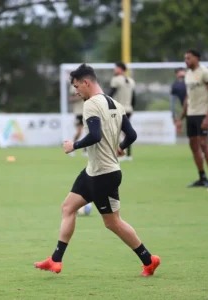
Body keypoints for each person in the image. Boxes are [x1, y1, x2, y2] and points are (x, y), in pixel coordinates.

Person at [34, 64, 160, 276]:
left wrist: (72, 146)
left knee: (113, 223)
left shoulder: (91, 104)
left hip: (105, 175)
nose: (76, 91)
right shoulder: (116, 105)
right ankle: (55, 260)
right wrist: (120, 147)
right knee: (68, 207)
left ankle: (149, 260)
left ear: (87, 82)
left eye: (76, 86)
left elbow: (95, 135)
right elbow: (132, 135)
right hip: (93, 171)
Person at [175, 50, 208, 187]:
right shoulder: (188, 75)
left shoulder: (206, 73)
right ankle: (202, 177)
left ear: (196, 58)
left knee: (204, 145)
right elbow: (188, 98)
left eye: (188, 58)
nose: (186, 60)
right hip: (191, 115)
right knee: (193, 146)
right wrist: (181, 118)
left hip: (203, 114)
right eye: (185, 58)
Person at [171, 68, 208, 143]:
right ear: (177, 75)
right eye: (181, 76)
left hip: (202, 108)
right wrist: (174, 116)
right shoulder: (176, 86)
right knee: (195, 136)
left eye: (183, 76)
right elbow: (173, 101)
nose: (182, 78)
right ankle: (204, 143)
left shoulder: (194, 81)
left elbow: (207, 88)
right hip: (190, 111)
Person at [109, 62, 136, 161]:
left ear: (121, 69)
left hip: (118, 109)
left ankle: (120, 153)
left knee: (115, 131)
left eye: (116, 68)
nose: (114, 70)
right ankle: (128, 155)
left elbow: (111, 94)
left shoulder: (116, 80)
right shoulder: (131, 81)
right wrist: (132, 107)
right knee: (126, 132)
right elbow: (133, 97)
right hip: (128, 109)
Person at [69, 84, 87, 157]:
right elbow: (70, 99)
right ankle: (71, 146)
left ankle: (86, 150)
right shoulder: (73, 87)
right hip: (78, 112)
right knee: (79, 132)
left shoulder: (87, 85)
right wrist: (80, 97)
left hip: (87, 111)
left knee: (89, 132)